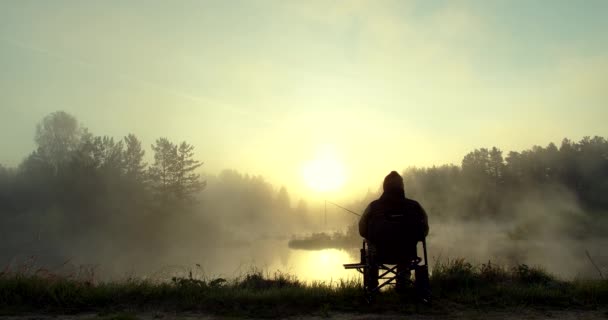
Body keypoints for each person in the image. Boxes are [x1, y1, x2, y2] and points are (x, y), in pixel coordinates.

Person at [358, 171, 429, 291]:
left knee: (370, 246)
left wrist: (373, 236)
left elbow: (362, 230)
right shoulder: (415, 206)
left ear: (384, 187)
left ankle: (372, 286)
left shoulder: (373, 207)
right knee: (406, 248)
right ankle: (403, 285)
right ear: (402, 187)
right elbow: (424, 231)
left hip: (379, 255)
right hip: (407, 254)